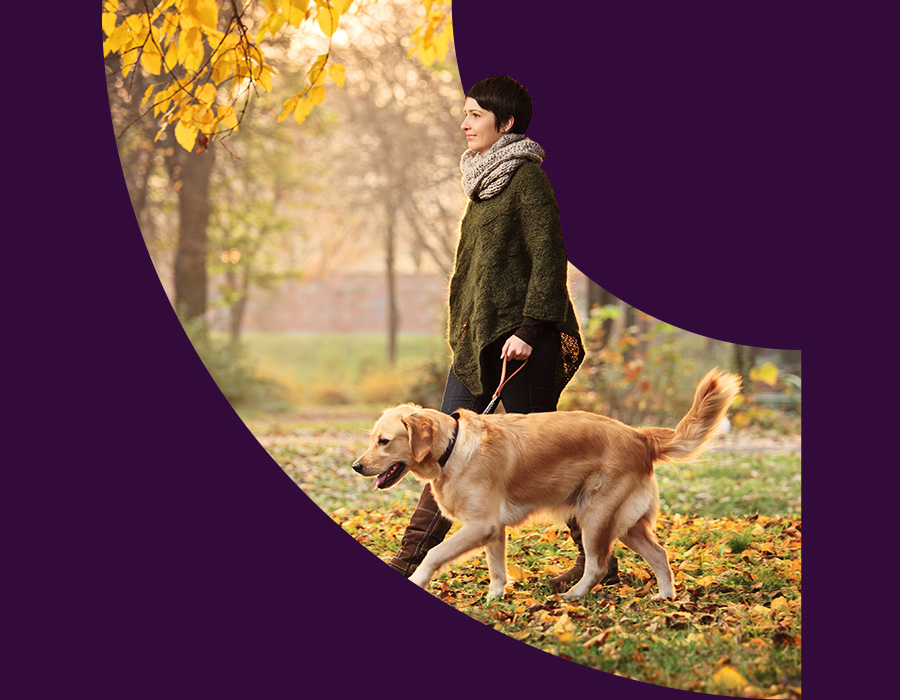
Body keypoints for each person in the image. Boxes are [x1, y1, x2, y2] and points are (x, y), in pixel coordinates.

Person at [387, 75, 617, 592]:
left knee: (551, 456)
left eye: (475, 114)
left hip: (520, 346)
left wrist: (532, 329)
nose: (464, 122)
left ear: (505, 122)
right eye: (465, 113)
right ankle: (407, 561)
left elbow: (548, 258)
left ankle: (597, 563)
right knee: (438, 448)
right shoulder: (481, 184)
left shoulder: (527, 180)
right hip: (477, 344)